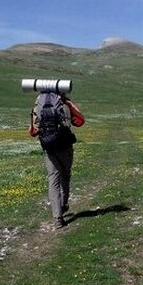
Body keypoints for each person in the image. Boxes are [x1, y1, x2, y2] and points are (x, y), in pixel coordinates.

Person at [28, 91, 85, 229]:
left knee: (53, 179)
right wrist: (70, 104)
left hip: (49, 148)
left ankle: (57, 218)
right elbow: (80, 121)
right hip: (65, 146)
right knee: (65, 175)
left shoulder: (38, 105)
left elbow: (32, 132)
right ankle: (64, 204)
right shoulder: (65, 104)